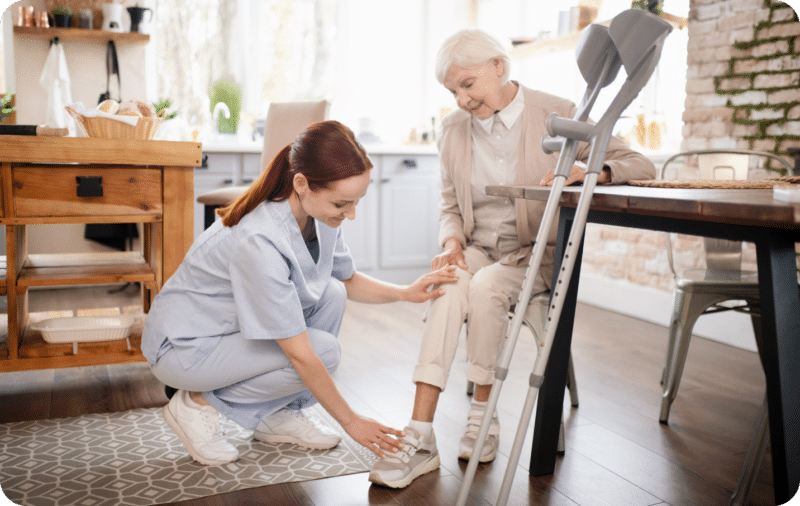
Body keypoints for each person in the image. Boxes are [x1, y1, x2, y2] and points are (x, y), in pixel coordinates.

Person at [368, 29, 656, 488]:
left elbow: (641, 164)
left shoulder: (558, 113)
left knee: (483, 289)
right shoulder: (452, 130)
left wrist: (596, 170)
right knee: (448, 284)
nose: (461, 99)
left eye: (468, 84)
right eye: (452, 91)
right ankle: (419, 436)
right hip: (480, 250)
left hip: (535, 254)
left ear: (499, 67)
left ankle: (482, 417)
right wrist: (451, 245)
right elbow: (449, 206)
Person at [141, 120, 458, 465]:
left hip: (228, 333)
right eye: (342, 204)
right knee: (323, 352)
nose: (351, 214)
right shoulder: (260, 239)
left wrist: (405, 292)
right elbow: (302, 356)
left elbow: (347, 280)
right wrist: (351, 421)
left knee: (333, 293)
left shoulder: (317, 215)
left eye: (356, 203)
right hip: (187, 346)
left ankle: (276, 413)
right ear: (302, 184)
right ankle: (195, 406)